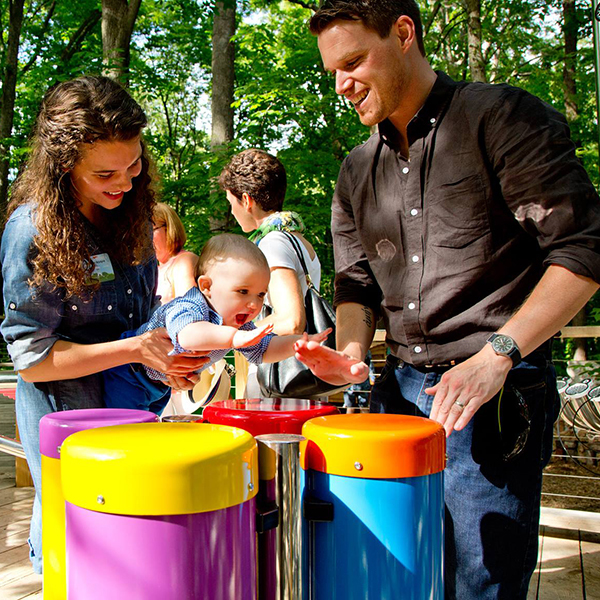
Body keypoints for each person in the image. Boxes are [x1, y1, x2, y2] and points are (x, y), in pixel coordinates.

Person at [294, 2, 600, 598]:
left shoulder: (502, 117)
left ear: (404, 34)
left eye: (354, 61)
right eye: (333, 70)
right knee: (392, 574)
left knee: (481, 583)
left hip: (496, 390)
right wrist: (354, 356)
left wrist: (498, 354)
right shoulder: (356, 170)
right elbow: (356, 287)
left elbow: (584, 251)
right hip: (397, 395)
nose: (342, 85)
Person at [0, 76, 206, 574]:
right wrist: (136, 350)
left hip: (131, 409)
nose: (126, 182)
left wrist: (166, 363)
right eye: (106, 173)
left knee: (128, 541)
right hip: (66, 414)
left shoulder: (134, 215)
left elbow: (141, 324)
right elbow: (32, 360)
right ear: (64, 166)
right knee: (72, 546)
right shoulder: (33, 230)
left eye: (134, 164)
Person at [103, 233, 331, 411]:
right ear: (206, 286)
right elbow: (189, 335)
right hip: (129, 374)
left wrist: (299, 344)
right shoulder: (190, 306)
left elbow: (265, 349)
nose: (253, 304)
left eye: (261, 295)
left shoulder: (236, 325)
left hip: (160, 385)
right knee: (127, 432)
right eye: (243, 291)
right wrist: (236, 338)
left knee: (148, 432)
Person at [218, 149, 324, 397]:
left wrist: (235, 334)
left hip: (282, 381)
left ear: (246, 200)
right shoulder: (295, 237)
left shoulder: (272, 243)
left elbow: (290, 320)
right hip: (301, 377)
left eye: (231, 203)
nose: (232, 212)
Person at [152, 202, 199, 305]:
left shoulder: (184, 261)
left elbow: (187, 309)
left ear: (168, 228)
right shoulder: (154, 270)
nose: (144, 239)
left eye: (151, 230)